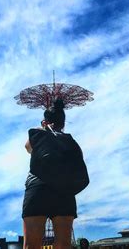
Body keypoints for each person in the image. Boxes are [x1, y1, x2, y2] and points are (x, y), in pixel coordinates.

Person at [22, 98, 79, 249]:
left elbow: (28, 148)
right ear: (63, 123)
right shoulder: (69, 140)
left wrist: (43, 128)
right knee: (63, 244)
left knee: (32, 245)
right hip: (64, 190)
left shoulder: (37, 134)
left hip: (38, 187)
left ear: (45, 121)